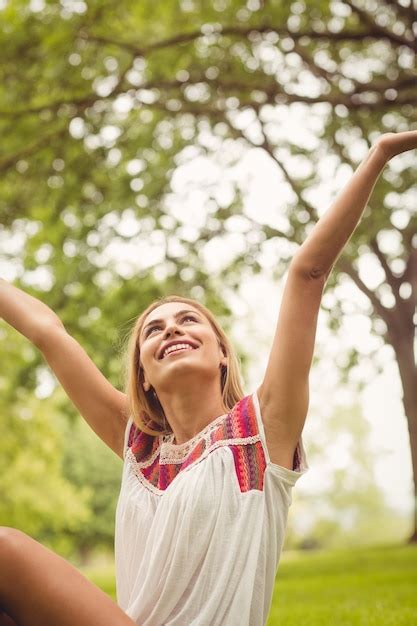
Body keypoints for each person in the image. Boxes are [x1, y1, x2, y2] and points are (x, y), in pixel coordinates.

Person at [0, 131, 416, 626]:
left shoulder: (262, 433)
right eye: (153, 330)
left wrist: (381, 153)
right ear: (145, 377)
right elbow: (49, 333)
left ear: (222, 352)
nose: (171, 328)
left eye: (189, 320)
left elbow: (307, 272)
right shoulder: (138, 447)